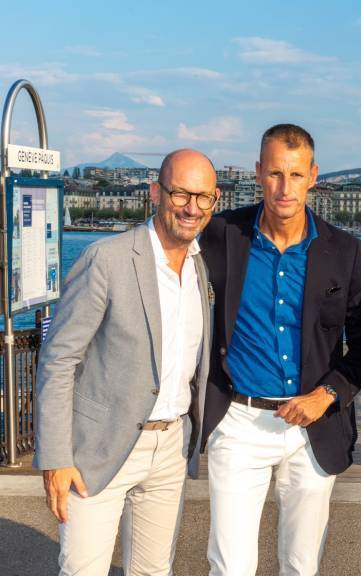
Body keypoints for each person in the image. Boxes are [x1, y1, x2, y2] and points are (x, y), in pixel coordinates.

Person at [199, 123, 361, 575]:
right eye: (276, 173)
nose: (285, 187)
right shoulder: (219, 235)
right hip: (238, 421)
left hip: (313, 424)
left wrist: (327, 395)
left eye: (296, 175)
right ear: (259, 172)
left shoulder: (346, 252)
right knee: (230, 565)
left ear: (313, 175)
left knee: (301, 564)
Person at [34, 149, 218, 575]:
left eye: (203, 197)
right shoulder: (106, 259)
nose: (191, 208)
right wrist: (56, 457)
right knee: (83, 569)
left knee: (154, 571)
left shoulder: (199, 267)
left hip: (170, 446)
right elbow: (58, 359)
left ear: (214, 201)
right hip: (97, 447)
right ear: (156, 192)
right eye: (180, 193)